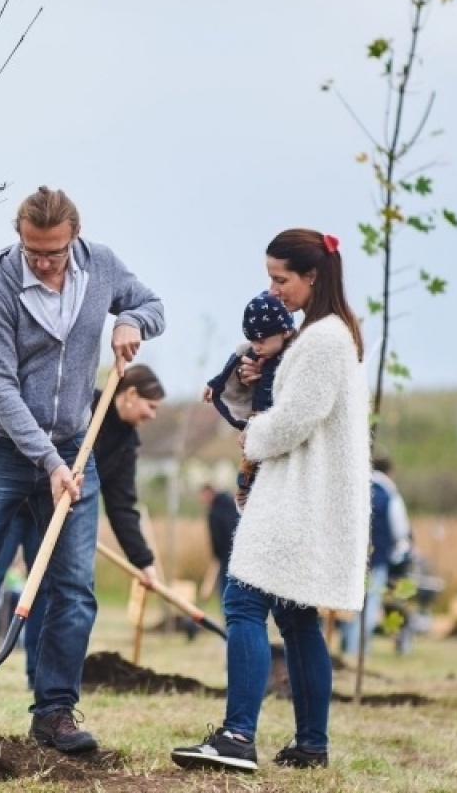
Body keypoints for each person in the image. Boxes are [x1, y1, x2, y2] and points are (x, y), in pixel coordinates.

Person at [0, 185, 165, 754]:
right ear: (20, 239)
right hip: (0, 447)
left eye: (54, 252)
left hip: (75, 443)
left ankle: (55, 712)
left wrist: (132, 321)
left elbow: (152, 304)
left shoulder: (103, 267)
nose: (43, 263)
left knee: (74, 586)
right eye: (33, 251)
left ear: (75, 237)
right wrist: (45, 461)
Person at [171, 229, 369, 772]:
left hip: (295, 499)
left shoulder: (324, 339)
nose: (273, 289)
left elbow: (298, 419)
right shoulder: (322, 334)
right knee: (297, 617)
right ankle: (311, 744)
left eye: (281, 278)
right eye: (270, 277)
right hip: (304, 498)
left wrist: (253, 436)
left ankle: (237, 737)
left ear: (313, 276)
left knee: (242, 603)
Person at [0, 363, 167, 688]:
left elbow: (121, 506)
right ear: (130, 394)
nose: (153, 415)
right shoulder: (84, 407)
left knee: (47, 593)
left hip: (56, 519)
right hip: (19, 505)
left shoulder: (126, 443)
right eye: (151, 406)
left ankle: (38, 676)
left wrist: (143, 562)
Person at [204, 290, 296, 510]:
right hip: (257, 418)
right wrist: (214, 384)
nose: (256, 346)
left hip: (276, 420)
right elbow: (230, 367)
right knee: (249, 458)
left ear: (284, 332)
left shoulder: (293, 356)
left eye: (261, 340)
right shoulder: (256, 353)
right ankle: (245, 492)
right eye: (252, 340)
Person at [341, 456, 411, 657]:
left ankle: (350, 646)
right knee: (370, 604)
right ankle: (360, 649)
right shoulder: (390, 495)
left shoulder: (357, 489)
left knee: (351, 603)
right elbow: (400, 529)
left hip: (353, 559)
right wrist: (399, 553)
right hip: (377, 558)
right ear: (389, 471)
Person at [198, 483, 239, 604]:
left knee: (226, 592)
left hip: (225, 557)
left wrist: (217, 555)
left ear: (208, 494)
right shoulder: (232, 504)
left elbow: (217, 539)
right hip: (241, 553)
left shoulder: (214, 513)